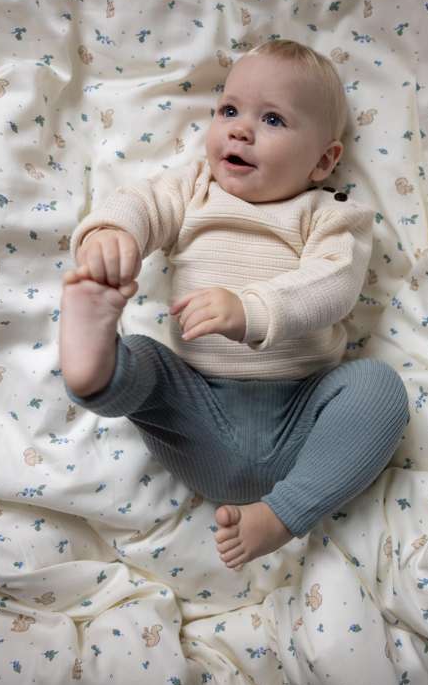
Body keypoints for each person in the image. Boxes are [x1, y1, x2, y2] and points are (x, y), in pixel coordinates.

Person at [59, 39, 409, 571]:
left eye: (272, 119)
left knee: (378, 388)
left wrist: (252, 309)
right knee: (145, 358)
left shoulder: (332, 214)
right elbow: (141, 202)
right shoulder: (194, 189)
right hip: (195, 409)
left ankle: (283, 514)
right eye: (229, 110)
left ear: (324, 160)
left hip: (302, 416)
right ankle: (94, 372)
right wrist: (111, 235)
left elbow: (334, 285)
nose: (241, 130)